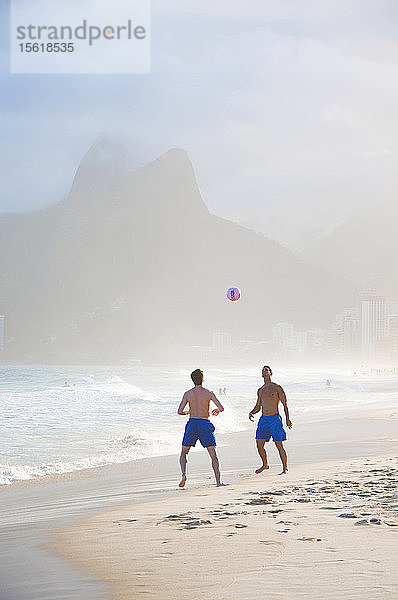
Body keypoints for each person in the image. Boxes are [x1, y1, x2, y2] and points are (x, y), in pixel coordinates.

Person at [177, 369, 225, 488]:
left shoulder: (188, 394)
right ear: (203, 379)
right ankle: (218, 482)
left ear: (192, 380)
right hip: (204, 423)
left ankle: (183, 475)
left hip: (192, 423)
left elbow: (179, 411)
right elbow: (221, 408)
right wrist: (217, 410)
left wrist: (189, 411)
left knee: (184, 452)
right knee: (213, 454)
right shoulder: (209, 393)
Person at [249, 365, 292, 475]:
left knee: (279, 444)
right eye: (263, 370)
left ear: (271, 373)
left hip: (274, 419)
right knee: (259, 444)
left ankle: (285, 468)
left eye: (266, 370)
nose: (264, 371)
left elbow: (285, 404)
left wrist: (288, 419)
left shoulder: (277, 387)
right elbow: (258, 406)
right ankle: (265, 464)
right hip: (264, 419)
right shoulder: (260, 390)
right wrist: (251, 412)